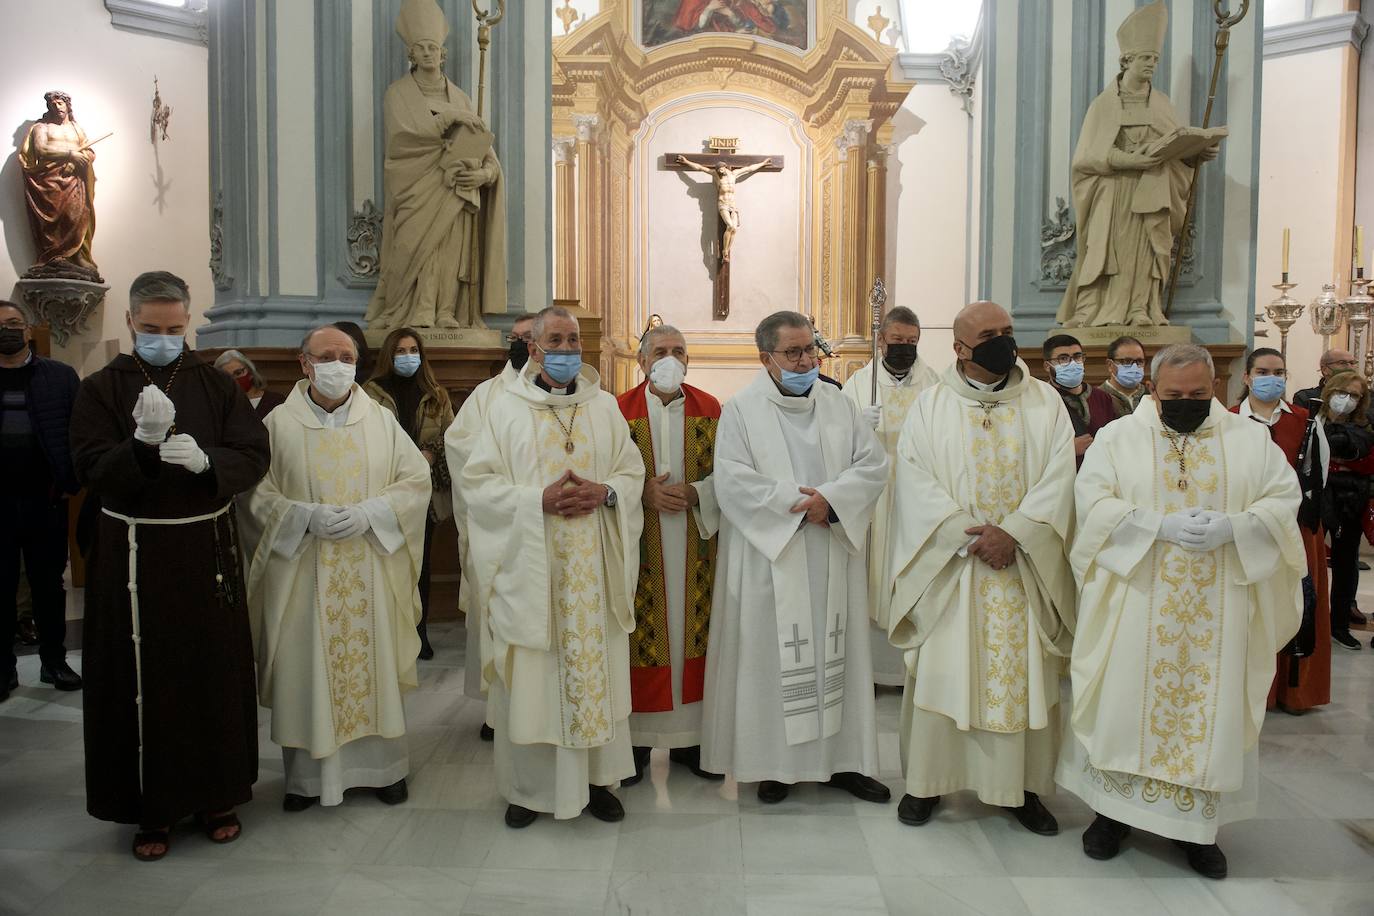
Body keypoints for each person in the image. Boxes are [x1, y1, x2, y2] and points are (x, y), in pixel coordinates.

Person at [1059, 344, 1303, 879]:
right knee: (1126, 705)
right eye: (1174, 395)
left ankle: (1197, 831)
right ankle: (1111, 816)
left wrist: (1235, 528)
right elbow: (1091, 503)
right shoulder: (1118, 439)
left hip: (1220, 605)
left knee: (1206, 712)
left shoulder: (1250, 440)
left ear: (1215, 387)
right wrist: (1156, 526)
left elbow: (1283, 503)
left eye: (1198, 394)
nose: (1187, 402)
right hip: (1136, 601)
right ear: (1152, 388)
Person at [71, 271, 270, 861]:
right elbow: (87, 468)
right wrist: (139, 447)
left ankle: (217, 795)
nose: (164, 339)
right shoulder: (101, 388)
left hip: (204, 549)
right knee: (142, 680)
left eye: (175, 329)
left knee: (210, 671)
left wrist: (209, 463)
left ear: (189, 322)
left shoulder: (215, 383)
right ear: (130, 322)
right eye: (152, 329)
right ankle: (148, 809)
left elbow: (253, 452)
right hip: (132, 557)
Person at [887, 301, 1075, 834]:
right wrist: (969, 536)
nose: (1003, 342)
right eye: (989, 335)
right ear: (960, 349)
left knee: (1023, 680)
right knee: (945, 675)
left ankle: (1019, 791)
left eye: (1009, 332)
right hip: (955, 570)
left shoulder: (1046, 402)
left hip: (1021, 568)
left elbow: (1061, 475)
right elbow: (915, 481)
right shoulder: (931, 406)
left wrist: (1015, 532)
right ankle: (927, 783)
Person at [461, 306, 645, 827]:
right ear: (534, 348)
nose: (566, 350)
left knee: (595, 676)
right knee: (536, 685)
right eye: (555, 341)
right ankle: (530, 790)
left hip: (593, 569)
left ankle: (599, 782)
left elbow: (631, 472)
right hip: (531, 572)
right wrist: (532, 501)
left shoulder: (604, 406)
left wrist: (605, 492)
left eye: (573, 341)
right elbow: (478, 486)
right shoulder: (506, 409)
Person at [701, 310, 889, 806]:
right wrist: (801, 507)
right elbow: (732, 480)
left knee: (839, 654)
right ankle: (774, 766)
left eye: (811, 350)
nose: (807, 360)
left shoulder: (839, 403)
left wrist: (834, 501)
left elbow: (873, 465)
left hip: (832, 548)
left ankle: (846, 763)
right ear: (767, 359)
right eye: (794, 352)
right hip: (773, 556)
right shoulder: (741, 409)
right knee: (772, 660)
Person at [244, 324, 431, 813]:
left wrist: (371, 513)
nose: (337, 365)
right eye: (326, 356)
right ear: (303, 363)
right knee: (307, 670)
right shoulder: (276, 426)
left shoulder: (381, 422)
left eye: (346, 356)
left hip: (371, 564)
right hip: (303, 571)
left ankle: (384, 770)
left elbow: (416, 481)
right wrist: (304, 517)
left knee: (374, 665)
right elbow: (253, 495)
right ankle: (306, 780)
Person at [1056, 1, 1219, 327]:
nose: (1151, 65)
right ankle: (1095, 311)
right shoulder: (1104, 104)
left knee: (1148, 253)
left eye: (1155, 59)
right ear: (1127, 60)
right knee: (1106, 255)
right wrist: (1131, 159)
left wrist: (1193, 154)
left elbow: (1172, 147)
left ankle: (1141, 309)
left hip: (1153, 189)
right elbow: (1088, 156)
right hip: (1114, 193)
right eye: (1145, 58)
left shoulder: (1161, 104)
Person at [617, 325, 723, 786]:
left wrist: (700, 493)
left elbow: (736, 473)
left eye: (679, 351)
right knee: (642, 633)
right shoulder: (617, 411)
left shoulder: (712, 409)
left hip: (699, 545)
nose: (671, 357)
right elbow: (602, 471)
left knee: (696, 633)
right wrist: (640, 492)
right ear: (641, 361)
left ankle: (693, 741)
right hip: (640, 545)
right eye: (660, 351)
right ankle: (637, 742)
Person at [365, 0, 507, 329]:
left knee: (449, 251)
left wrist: (484, 174)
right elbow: (402, 140)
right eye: (421, 48)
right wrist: (448, 118)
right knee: (418, 247)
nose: (428, 53)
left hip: (456, 191)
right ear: (411, 55)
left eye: (433, 47)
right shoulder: (397, 94)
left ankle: (447, 309)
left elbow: (486, 149)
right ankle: (417, 309)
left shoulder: (461, 97)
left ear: (442, 54)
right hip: (416, 189)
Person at [445, 311, 538, 740]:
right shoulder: (487, 395)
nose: (520, 344)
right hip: (500, 524)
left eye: (528, 337)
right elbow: (461, 449)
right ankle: (498, 713)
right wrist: (507, 486)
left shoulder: (570, 395)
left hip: (548, 526)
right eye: (514, 338)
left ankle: (541, 707)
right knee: (496, 618)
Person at [841, 306, 939, 688]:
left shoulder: (934, 385)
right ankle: (873, 673)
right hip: (874, 501)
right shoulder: (857, 387)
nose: (904, 348)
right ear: (881, 340)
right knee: (871, 579)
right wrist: (856, 426)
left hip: (917, 496)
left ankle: (911, 671)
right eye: (897, 341)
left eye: (911, 342)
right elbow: (836, 446)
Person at [1231, 348, 1331, 712]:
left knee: (1299, 603)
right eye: (1262, 371)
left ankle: (1295, 692)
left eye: (1278, 371)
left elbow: (1318, 474)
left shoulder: (1307, 420)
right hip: (1249, 529)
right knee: (1255, 608)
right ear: (1246, 377)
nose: (1270, 378)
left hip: (1297, 529)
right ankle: (1256, 693)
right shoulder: (1230, 421)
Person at [0, 302, 81, 701]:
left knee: (49, 585)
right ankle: (3, 670)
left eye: (15, 323)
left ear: (29, 329)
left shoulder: (60, 377)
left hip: (45, 498)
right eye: (1, 326)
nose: (8, 331)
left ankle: (54, 662)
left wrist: (71, 479)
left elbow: (79, 433)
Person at [364, 327, 455, 661]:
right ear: (390, 354)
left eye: (413, 350)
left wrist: (431, 452)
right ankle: (390, 633)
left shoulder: (437, 394)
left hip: (424, 493)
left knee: (421, 564)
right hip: (386, 489)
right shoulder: (370, 394)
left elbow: (452, 436)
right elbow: (363, 437)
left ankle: (420, 631)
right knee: (387, 560)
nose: (408, 357)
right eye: (401, 351)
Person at [1318, 371, 1374, 651]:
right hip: (1316, 499)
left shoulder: (1364, 426)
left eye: (1355, 396)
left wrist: (1342, 458)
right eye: (1344, 393)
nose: (1348, 400)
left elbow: (1362, 455)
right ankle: (1310, 623)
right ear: (1331, 391)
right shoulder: (1311, 418)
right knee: (1310, 562)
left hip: (1350, 500)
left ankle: (1339, 625)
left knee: (1345, 564)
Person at [18, 90, 100, 282]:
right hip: (49, 181)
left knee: (77, 215)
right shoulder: (41, 127)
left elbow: (89, 151)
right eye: (52, 105)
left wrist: (79, 159)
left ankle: (78, 254)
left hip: (74, 180)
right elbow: (42, 149)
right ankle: (55, 256)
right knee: (55, 217)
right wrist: (70, 154)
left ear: (67, 106)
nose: (56, 107)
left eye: (60, 104)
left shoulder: (75, 128)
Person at [1043, 333, 1119, 468]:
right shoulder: (1042, 400)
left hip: (1100, 475)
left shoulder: (1103, 397)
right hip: (1062, 478)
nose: (1072, 363)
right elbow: (1033, 449)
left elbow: (1115, 438)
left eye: (1077, 357)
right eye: (1063, 358)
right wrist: (1067, 450)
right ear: (1047, 366)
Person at [214, 349, 285, 418]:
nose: (234, 380)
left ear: (250, 371)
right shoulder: (221, 407)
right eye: (228, 377)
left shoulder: (275, 401)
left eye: (238, 373)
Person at [1292, 348, 1359, 415]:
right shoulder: (1306, 398)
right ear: (1325, 370)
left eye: (1352, 363)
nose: (1350, 367)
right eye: (1342, 363)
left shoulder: (1365, 396)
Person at [1101, 335, 1148, 417]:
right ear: (1110, 365)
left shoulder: (1151, 396)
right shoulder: (1096, 398)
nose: (1134, 367)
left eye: (1139, 361)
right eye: (1127, 361)